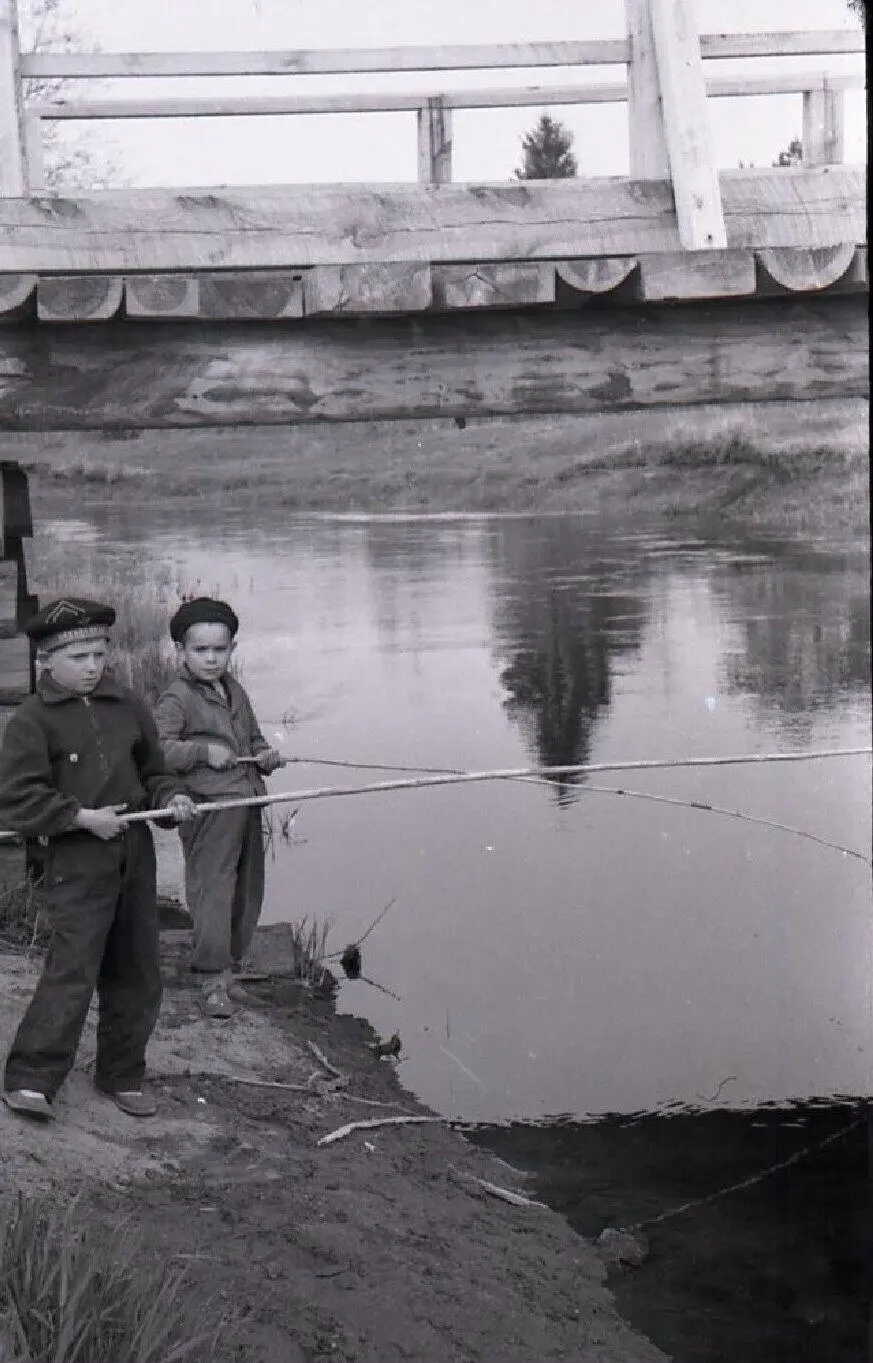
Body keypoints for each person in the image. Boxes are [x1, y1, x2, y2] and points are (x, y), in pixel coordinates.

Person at [0, 597, 196, 1123]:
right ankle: (31, 1079)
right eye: (78, 656)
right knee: (73, 969)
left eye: (99, 653)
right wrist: (81, 817)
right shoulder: (31, 721)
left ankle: (122, 1074)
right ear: (46, 660)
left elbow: (155, 774)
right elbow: (17, 800)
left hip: (134, 855)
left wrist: (169, 802)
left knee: (137, 969)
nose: (92, 666)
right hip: (76, 857)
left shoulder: (127, 704)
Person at [154, 598, 285, 1019]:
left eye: (220, 649)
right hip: (209, 809)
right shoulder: (176, 698)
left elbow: (254, 738)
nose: (211, 659)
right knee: (213, 891)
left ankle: (228, 973)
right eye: (200, 650)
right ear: (180, 650)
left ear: (232, 649)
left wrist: (265, 755)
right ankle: (210, 980)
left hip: (246, 800)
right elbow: (155, 750)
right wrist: (201, 752)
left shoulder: (234, 690)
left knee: (246, 889)